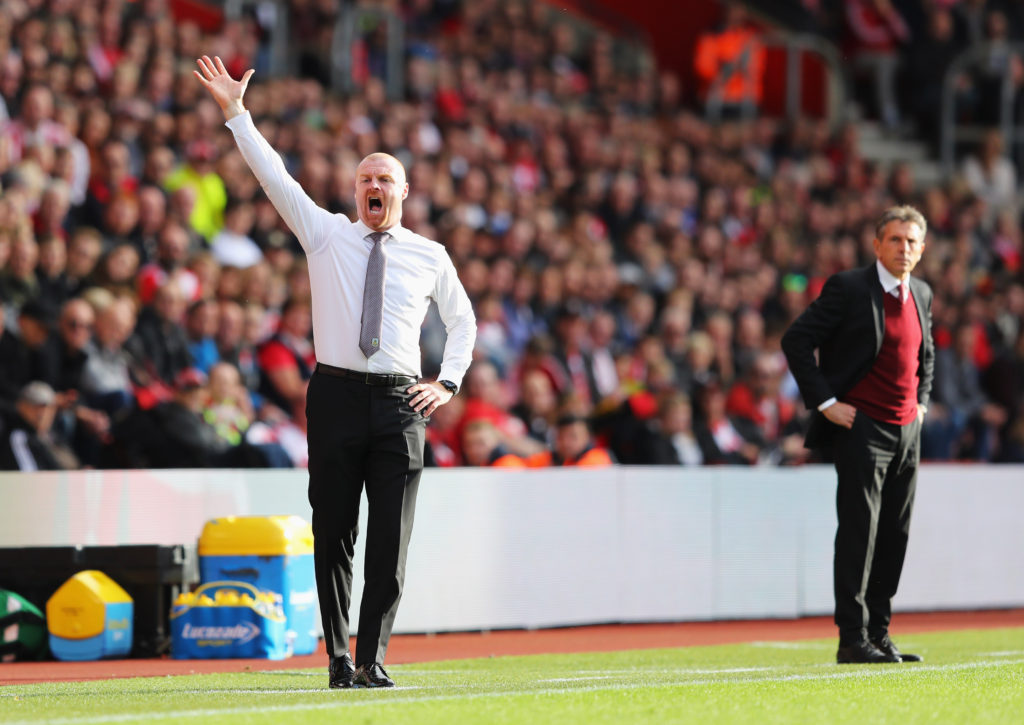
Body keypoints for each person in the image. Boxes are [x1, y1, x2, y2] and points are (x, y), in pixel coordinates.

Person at [194, 55, 476, 689]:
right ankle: (338, 658)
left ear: (404, 192)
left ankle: (373, 655)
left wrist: (447, 381)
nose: (374, 186)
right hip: (337, 395)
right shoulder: (326, 236)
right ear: (356, 191)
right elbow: (276, 178)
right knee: (334, 531)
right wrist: (237, 114)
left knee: (390, 541)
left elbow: (464, 323)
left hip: (403, 402)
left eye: (386, 178)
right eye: (365, 178)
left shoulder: (431, 256)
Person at [781, 205, 933, 665]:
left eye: (911, 241)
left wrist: (922, 404)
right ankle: (853, 638)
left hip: (908, 429)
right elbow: (797, 339)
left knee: (895, 534)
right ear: (876, 244)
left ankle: (881, 634)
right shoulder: (849, 288)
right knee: (859, 533)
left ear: (922, 249)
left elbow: (926, 356)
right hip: (862, 427)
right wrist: (827, 403)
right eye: (895, 240)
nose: (903, 248)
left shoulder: (923, 293)